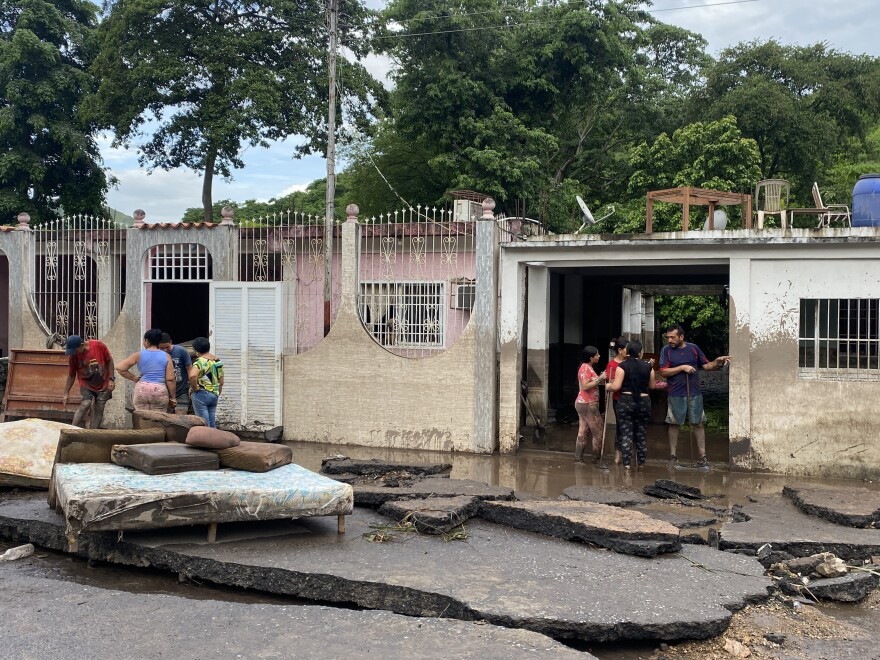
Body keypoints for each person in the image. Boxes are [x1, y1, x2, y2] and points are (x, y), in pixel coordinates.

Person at [658, 324, 730, 469]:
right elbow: (663, 372)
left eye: (673, 337)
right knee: (674, 423)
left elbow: (707, 366)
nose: (670, 340)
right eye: (668, 337)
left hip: (695, 392)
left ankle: (702, 456)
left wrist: (717, 361)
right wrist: (682, 368)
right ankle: (673, 456)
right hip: (676, 392)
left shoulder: (693, 348)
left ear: (681, 337)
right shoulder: (666, 350)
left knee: (698, 423)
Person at [606, 340, 655, 469]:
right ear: (640, 352)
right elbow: (652, 386)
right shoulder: (648, 367)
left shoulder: (622, 366)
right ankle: (641, 463)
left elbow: (616, 386)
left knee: (626, 433)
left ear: (627, 352)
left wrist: (608, 386)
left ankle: (627, 465)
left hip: (626, 401)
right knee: (641, 434)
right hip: (644, 402)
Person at [62, 335, 115, 429]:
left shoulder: (99, 345)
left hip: (103, 382)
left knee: (99, 408)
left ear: (82, 345)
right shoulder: (73, 357)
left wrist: (111, 379)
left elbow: (109, 360)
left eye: (75, 350)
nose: (73, 353)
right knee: (85, 404)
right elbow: (71, 375)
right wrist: (66, 393)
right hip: (85, 383)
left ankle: (92, 434)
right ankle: (71, 430)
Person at [116, 328, 176, 412]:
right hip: (159, 390)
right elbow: (170, 379)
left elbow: (120, 368)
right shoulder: (166, 356)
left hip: (142, 389)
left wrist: (133, 378)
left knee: (142, 418)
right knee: (158, 419)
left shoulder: (138, 355)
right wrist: (173, 397)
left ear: (146, 341)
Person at [573, 346, 606, 463]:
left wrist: (599, 379)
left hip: (584, 403)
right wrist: (600, 378)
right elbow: (585, 386)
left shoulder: (587, 367)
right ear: (591, 358)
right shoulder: (585, 368)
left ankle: (578, 458)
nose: (599, 356)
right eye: (597, 355)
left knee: (583, 431)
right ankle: (595, 459)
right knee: (598, 432)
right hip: (587, 404)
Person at [189, 337, 224, 428]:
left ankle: (205, 441)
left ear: (197, 350)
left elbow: (192, 375)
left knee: (203, 423)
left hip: (202, 394)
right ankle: (215, 441)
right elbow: (221, 381)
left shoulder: (200, 361)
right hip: (214, 395)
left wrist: (195, 388)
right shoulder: (217, 361)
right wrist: (217, 393)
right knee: (211, 423)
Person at [605, 336, 628, 464]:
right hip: (618, 399)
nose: (628, 352)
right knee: (620, 426)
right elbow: (611, 382)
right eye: (626, 349)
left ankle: (628, 453)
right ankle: (618, 452)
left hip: (630, 398)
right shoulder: (612, 365)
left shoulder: (630, 361)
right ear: (620, 350)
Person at [158, 332, 192, 414]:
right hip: (162, 392)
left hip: (181, 392)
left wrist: (192, 384)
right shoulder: (156, 354)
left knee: (181, 420)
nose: (165, 350)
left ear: (171, 342)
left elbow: (189, 369)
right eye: (162, 348)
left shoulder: (181, 351)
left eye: (167, 347)